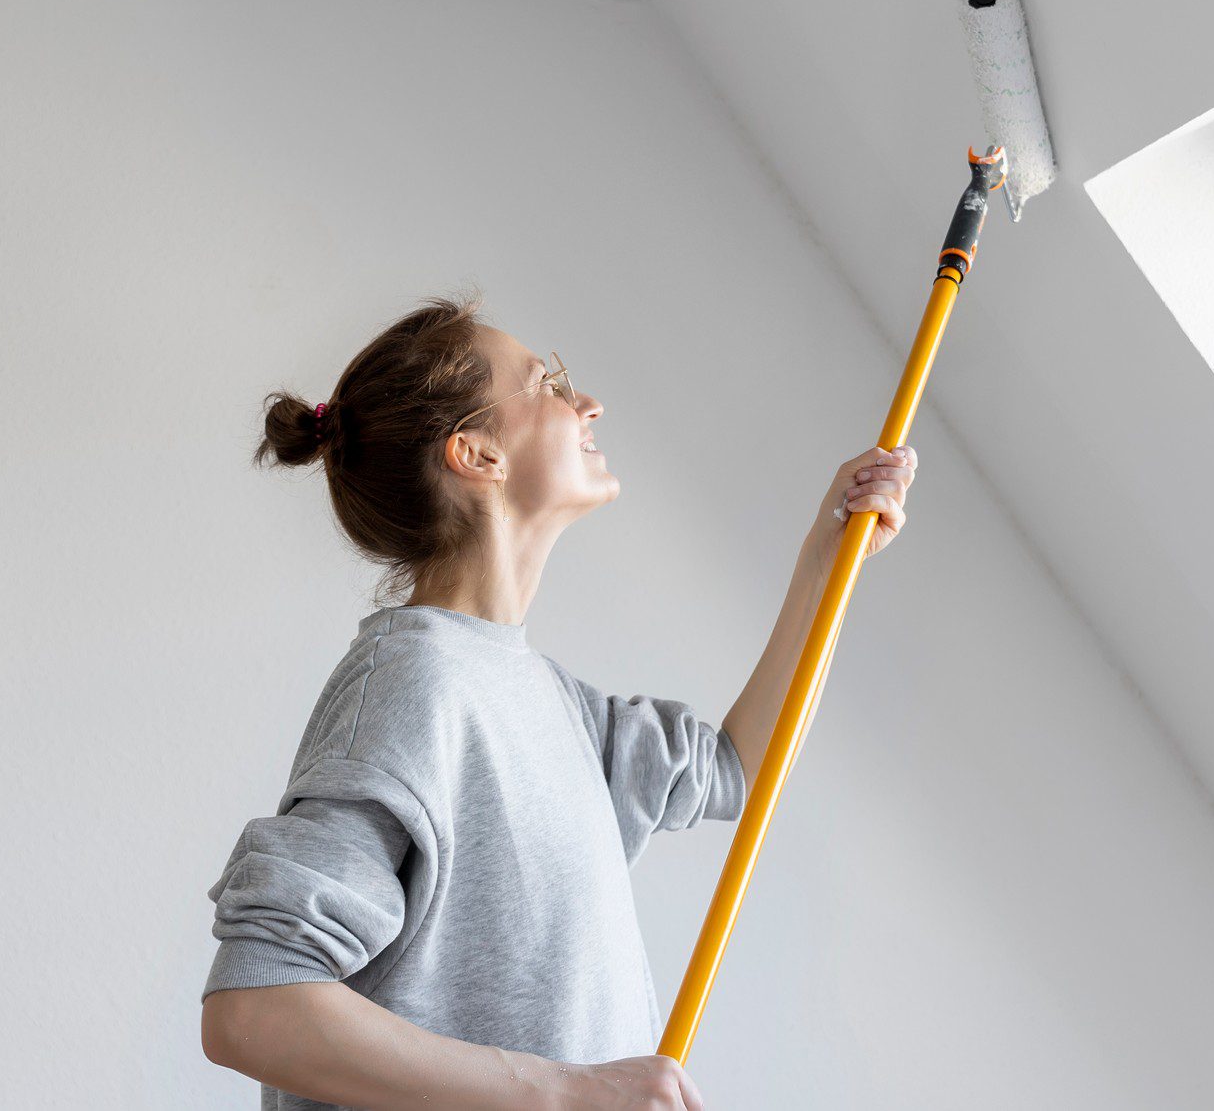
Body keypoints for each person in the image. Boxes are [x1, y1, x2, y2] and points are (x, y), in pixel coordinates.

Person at [199, 294, 917, 1111]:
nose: (587, 404)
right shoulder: (409, 688)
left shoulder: (548, 702)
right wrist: (569, 1093)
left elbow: (738, 766)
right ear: (476, 452)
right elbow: (253, 1007)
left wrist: (828, 558)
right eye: (547, 383)